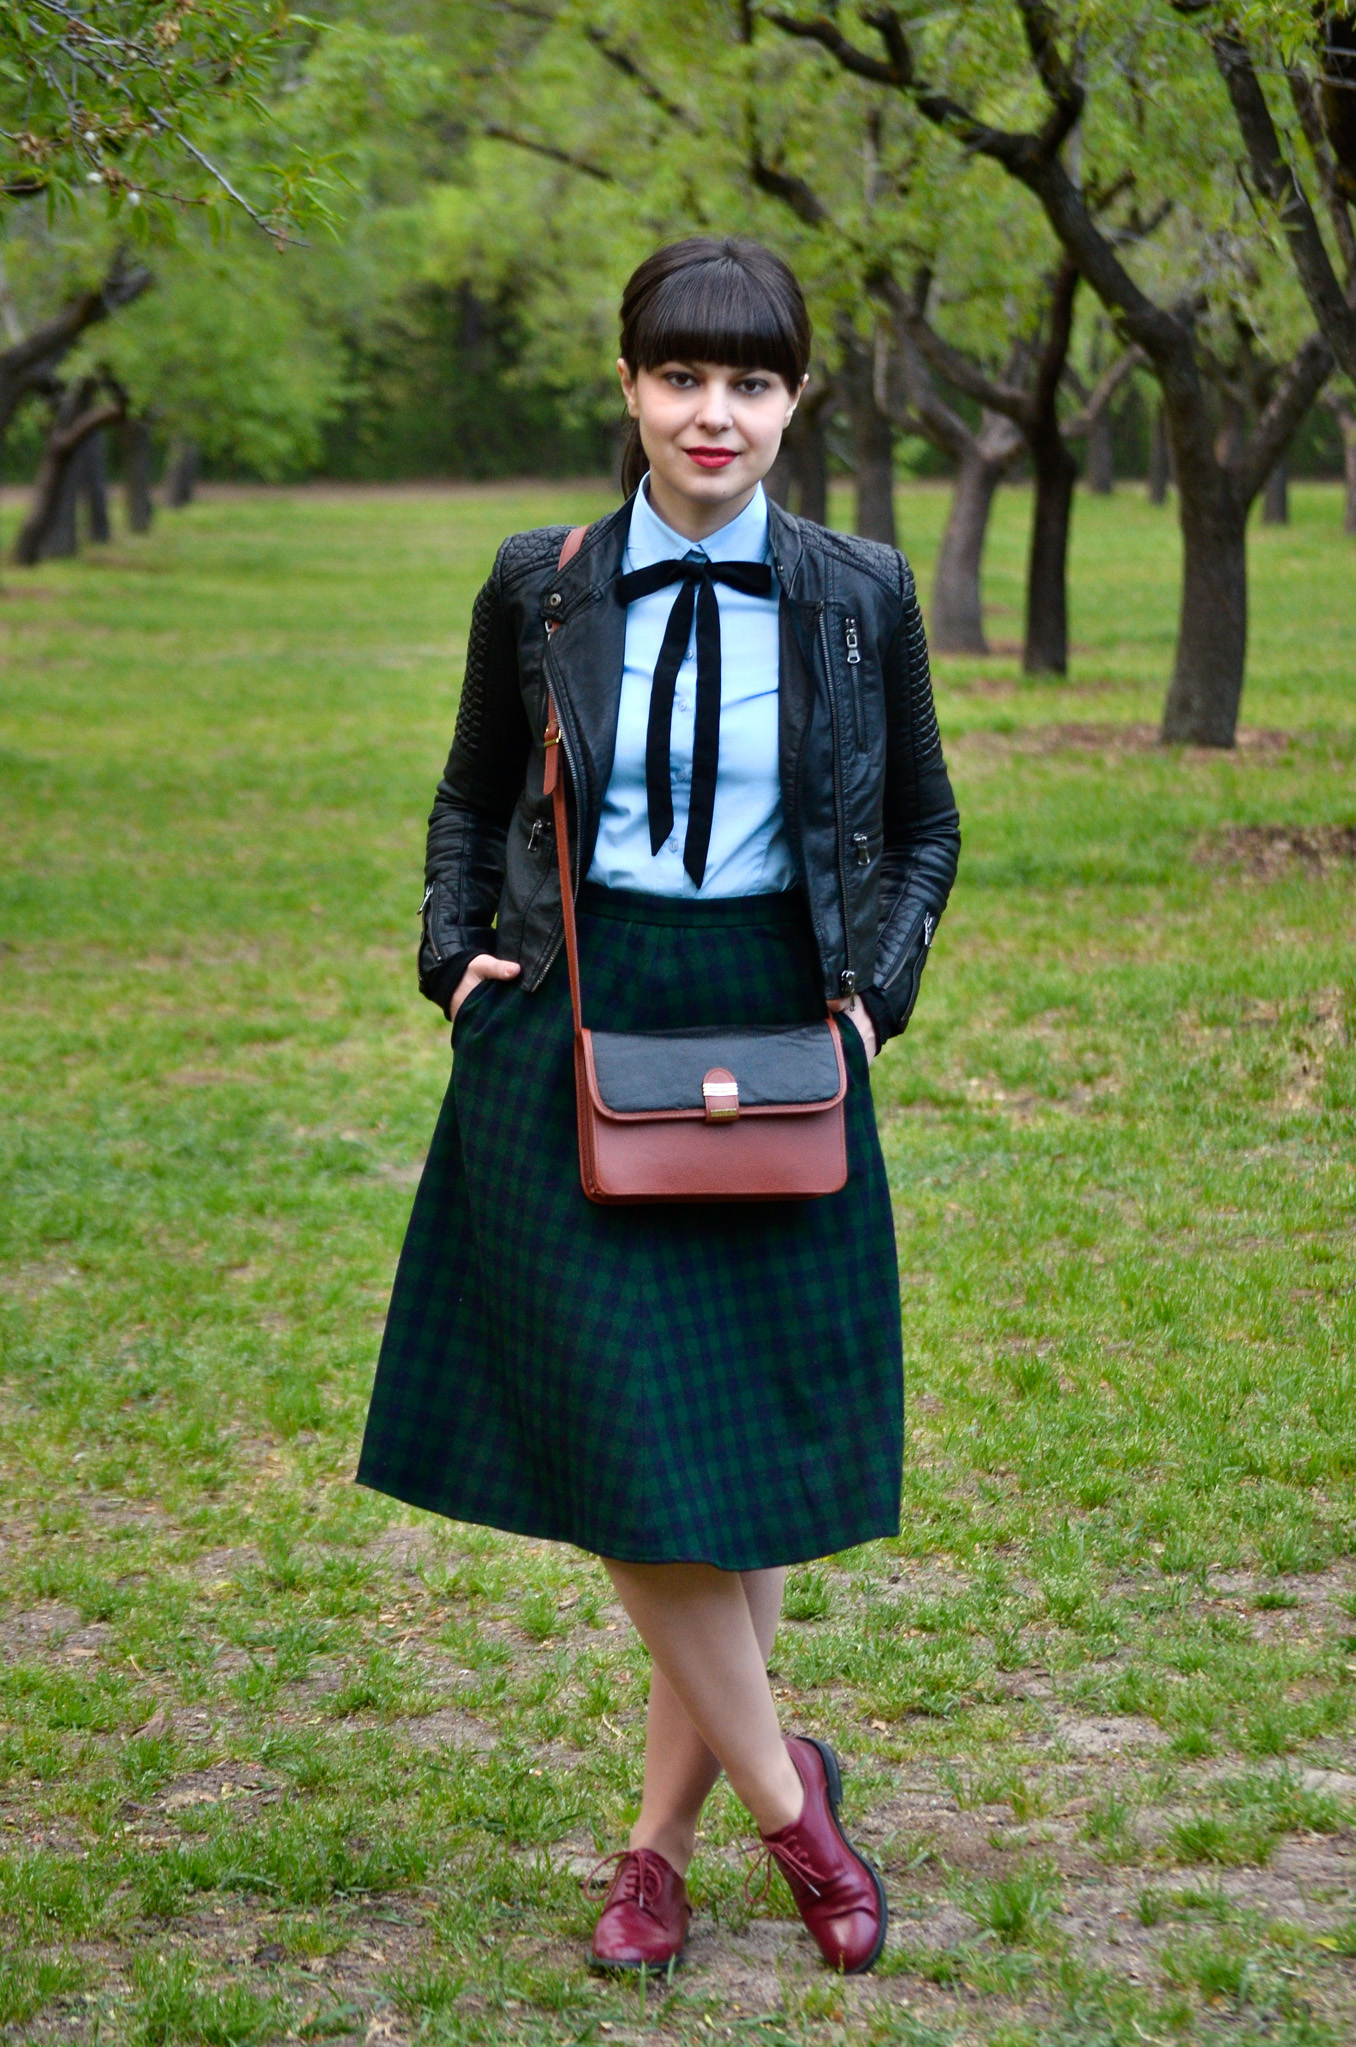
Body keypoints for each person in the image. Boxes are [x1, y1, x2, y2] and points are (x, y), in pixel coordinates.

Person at [357, 236, 960, 1976]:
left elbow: (923, 827)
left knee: (738, 1471)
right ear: (626, 385)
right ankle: (798, 1808)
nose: (716, 413)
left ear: (793, 401)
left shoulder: (862, 593)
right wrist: (453, 959)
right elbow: (471, 796)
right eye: (683, 376)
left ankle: (654, 1852)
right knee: (631, 1457)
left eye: (752, 382)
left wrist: (874, 997)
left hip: (774, 1030)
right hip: (569, 1029)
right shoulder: (539, 584)